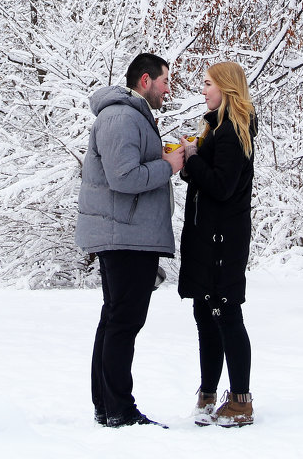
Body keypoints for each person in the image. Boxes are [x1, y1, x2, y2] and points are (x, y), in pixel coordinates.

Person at [76, 52, 185, 428]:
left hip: (125, 231)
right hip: (125, 234)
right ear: (145, 80)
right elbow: (123, 178)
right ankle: (119, 409)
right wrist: (168, 166)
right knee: (124, 321)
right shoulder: (122, 116)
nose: (168, 89)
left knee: (115, 319)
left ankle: (107, 406)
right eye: (165, 81)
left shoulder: (128, 116)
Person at [177, 61, 258, 427]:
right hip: (209, 237)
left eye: (208, 84)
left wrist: (192, 161)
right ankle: (208, 394)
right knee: (204, 314)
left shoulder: (231, 132)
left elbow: (222, 186)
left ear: (226, 87)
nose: (203, 90)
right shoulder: (217, 128)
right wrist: (194, 154)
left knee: (225, 313)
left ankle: (241, 400)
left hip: (221, 240)